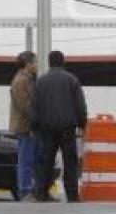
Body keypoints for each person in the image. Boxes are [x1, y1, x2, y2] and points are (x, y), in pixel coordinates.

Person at [33, 50, 87, 203]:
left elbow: (35, 106)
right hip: (67, 127)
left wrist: (35, 125)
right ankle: (72, 195)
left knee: (46, 161)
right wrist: (82, 123)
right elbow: (80, 105)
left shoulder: (41, 81)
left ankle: (42, 192)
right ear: (63, 62)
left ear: (49, 62)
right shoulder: (72, 80)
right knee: (70, 161)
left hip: (47, 128)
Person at [9, 51, 38, 201]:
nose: (37, 66)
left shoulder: (28, 79)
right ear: (28, 64)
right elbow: (24, 105)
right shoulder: (21, 80)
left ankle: (29, 189)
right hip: (25, 126)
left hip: (27, 125)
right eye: (35, 62)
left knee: (29, 159)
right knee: (25, 160)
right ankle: (24, 190)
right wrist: (36, 120)